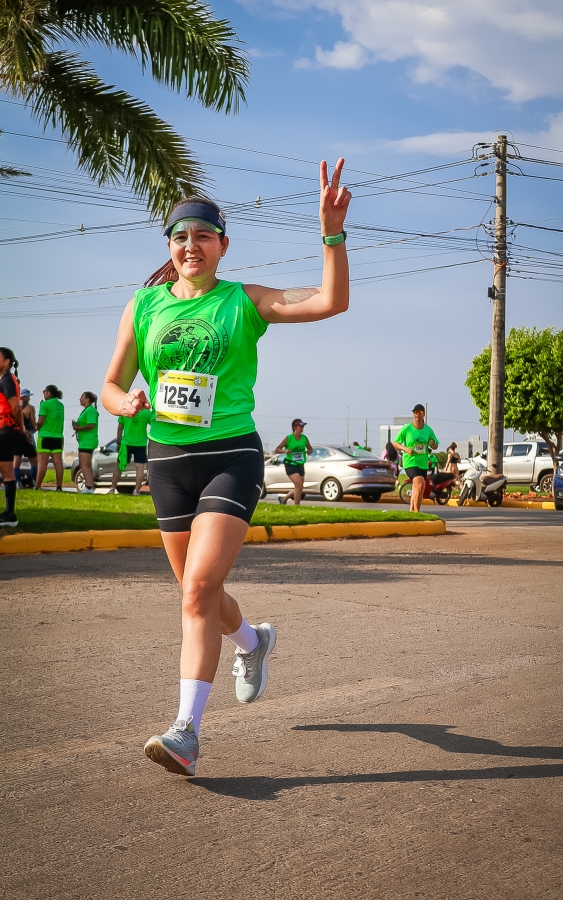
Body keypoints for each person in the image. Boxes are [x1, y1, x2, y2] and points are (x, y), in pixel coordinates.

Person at [101, 158, 351, 777]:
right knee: (201, 592)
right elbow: (110, 384)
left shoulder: (243, 302)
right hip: (167, 461)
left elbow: (330, 302)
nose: (191, 245)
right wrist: (125, 402)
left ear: (223, 246)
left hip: (230, 456)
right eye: (181, 236)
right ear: (170, 246)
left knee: (196, 592)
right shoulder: (144, 306)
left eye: (203, 236)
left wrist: (332, 234)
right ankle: (253, 641)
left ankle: (185, 733)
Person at [0, 347, 34, 526]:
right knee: (6, 471)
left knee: (7, 472)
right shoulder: (5, 378)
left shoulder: (6, 379)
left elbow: (16, 407)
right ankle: (8, 513)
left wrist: (22, 428)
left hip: (5, 430)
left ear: (6, 362)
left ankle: (10, 515)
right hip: (6, 429)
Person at [393, 404, 439, 512]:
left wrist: (432, 444)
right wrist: (405, 449)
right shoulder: (407, 428)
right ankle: (417, 513)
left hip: (423, 463)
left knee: (418, 488)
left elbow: (435, 446)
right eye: (415, 412)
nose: (417, 414)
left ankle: (412, 512)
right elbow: (395, 443)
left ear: (424, 414)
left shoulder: (428, 430)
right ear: (413, 414)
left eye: (420, 412)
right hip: (410, 462)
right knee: (420, 484)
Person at [108, 406, 153, 495]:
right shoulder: (147, 412)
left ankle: (112, 489)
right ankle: (136, 491)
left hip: (126, 443)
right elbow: (153, 425)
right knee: (140, 468)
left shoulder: (125, 410)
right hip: (141, 443)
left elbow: (120, 428)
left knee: (119, 467)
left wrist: (118, 442)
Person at [274, 419, 313, 505]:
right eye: (300, 426)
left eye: (303, 426)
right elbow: (277, 449)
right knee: (299, 485)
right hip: (290, 464)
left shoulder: (304, 438)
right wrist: (285, 451)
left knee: (300, 487)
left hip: (300, 464)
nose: (302, 427)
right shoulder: (289, 438)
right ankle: (296, 506)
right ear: (295, 427)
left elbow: (310, 449)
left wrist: (309, 452)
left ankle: (284, 499)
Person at [35, 384, 65, 491]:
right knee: (58, 463)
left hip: (45, 436)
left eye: (44, 391)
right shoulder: (61, 405)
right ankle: (59, 487)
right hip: (58, 437)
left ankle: (38, 486)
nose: (43, 393)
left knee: (43, 463)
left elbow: (41, 421)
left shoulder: (44, 404)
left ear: (48, 393)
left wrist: (36, 428)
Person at [72, 392, 99, 493]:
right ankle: (90, 486)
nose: (80, 399)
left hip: (88, 441)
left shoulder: (90, 410)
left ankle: (89, 487)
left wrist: (79, 428)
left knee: (84, 465)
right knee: (86, 464)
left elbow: (92, 424)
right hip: (85, 441)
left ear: (87, 399)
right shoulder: (88, 410)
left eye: (82, 397)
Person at [13, 388, 38, 489]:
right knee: (33, 460)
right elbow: (33, 424)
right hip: (27, 436)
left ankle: (18, 482)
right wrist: (37, 427)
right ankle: (33, 481)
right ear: (26, 397)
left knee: (17, 460)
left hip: (16, 436)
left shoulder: (15, 407)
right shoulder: (30, 408)